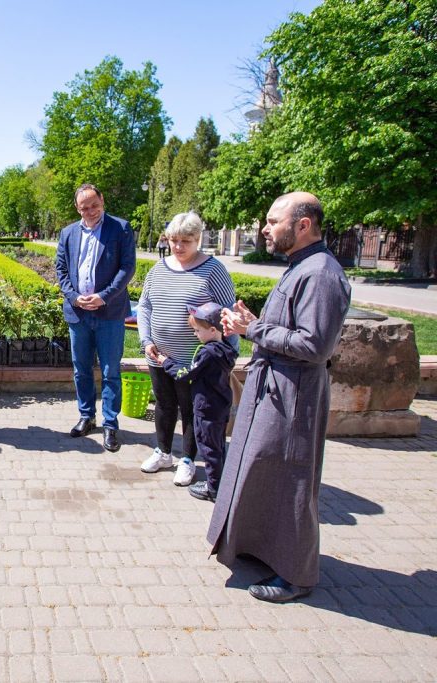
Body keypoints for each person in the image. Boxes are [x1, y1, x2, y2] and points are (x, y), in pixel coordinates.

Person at [210, 192, 351, 603]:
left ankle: (297, 575)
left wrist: (250, 331)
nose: (265, 229)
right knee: (264, 471)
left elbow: (314, 345)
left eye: (273, 221)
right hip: (276, 391)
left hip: (295, 397)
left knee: (291, 481)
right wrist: (253, 321)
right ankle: (262, 549)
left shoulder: (321, 274)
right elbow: (292, 328)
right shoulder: (302, 266)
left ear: (303, 225)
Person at [136, 211, 237, 486]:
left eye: (186, 241)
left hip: (195, 360)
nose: (179, 247)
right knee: (164, 405)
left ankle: (188, 459)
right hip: (159, 356)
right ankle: (164, 451)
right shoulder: (159, 268)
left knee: (192, 409)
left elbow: (227, 311)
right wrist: (146, 341)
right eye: (174, 240)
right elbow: (144, 306)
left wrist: (228, 353)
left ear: (198, 240)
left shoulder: (213, 269)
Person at [54, 184, 136, 451]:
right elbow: (61, 269)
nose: (89, 211)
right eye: (84, 207)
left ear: (103, 200)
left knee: (111, 370)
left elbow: (127, 267)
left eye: (94, 205)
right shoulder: (67, 233)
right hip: (78, 313)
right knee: (81, 369)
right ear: (77, 208)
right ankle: (87, 416)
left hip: (109, 312)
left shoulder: (120, 228)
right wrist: (73, 296)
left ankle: (111, 424)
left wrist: (104, 296)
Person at [159, 302, 237, 501]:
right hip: (220, 406)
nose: (195, 334)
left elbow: (186, 374)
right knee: (218, 445)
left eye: (197, 330)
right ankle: (222, 482)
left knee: (208, 448)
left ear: (212, 330)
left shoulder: (207, 353)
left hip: (206, 407)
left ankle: (214, 489)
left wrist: (165, 362)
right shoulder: (226, 349)